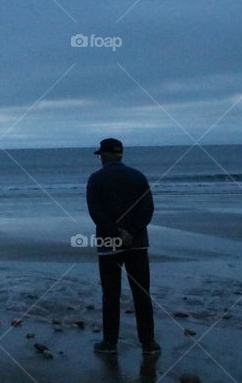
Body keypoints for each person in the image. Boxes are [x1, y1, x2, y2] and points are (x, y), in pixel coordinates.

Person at [85, 138, 160, 356]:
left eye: (100, 155)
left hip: (109, 243)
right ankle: (148, 342)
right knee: (142, 293)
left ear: (105, 155)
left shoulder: (96, 178)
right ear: (120, 155)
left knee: (111, 294)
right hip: (137, 243)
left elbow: (96, 213)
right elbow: (147, 209)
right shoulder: (138, 176)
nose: (100, 159)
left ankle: (110, 342)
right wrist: (132, 232)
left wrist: (116, 232)